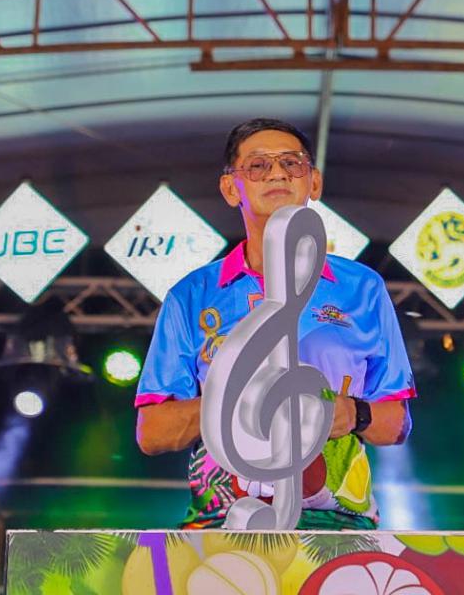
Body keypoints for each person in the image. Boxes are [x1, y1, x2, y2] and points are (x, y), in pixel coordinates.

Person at [135, 117, 415, 529]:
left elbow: (396, 424)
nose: (278, 173)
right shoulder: (192, 294)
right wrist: (245, 403)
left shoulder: (362, 287)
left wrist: (351, 413)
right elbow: (153, 432)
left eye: (292, 163)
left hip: (337, 525)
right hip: (223, 523)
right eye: (258, 165)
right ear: (231, 188)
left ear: (314, 183)